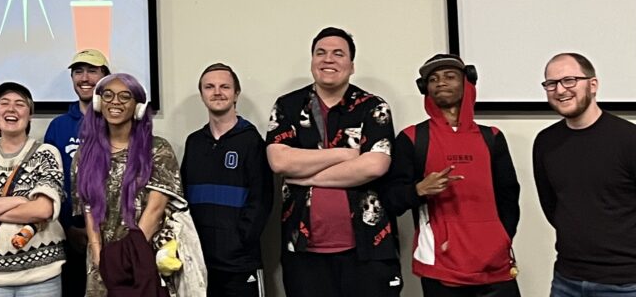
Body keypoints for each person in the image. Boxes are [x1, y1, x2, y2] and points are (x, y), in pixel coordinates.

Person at [266, 27, 401, 297]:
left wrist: (305, 174)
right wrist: (345, 154)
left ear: (351, 65)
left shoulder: (373, 107)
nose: (328, 59)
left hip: (367, 249)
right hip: (303, 252)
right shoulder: (288, 106)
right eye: (321, 53)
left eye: (338, 54)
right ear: (312, 61)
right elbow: (280, 161)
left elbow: (374, 166)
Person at [381, 54, 520, 296]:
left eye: (449, 76)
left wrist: (501, 239)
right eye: (433, 79)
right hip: (440, 265)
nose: (441, 83)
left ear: (467, 82)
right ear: (425, 88)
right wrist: (418, 190)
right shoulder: (412, 138)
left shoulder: (492, 137)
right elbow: (390, 199)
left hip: (495, 263)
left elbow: (509, 197)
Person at [77, 72, 205, 297]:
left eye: (125, 96)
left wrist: (126, 257)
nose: (115, 102)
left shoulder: (157, 149)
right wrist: (98, 254)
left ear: (138, 107)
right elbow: (88, 208)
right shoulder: (85, 153)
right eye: (108, 95)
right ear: (98, 102)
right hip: (103, 261)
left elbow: (155, 210)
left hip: (143, 257)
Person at [533, 52, 636, 296]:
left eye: (569, 80)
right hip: (566, 279)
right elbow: (552, 206)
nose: (560, 90)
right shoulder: (546, 142)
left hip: (625, 283)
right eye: (551, 83)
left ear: (593, 84)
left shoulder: (629, 139)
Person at [0, 81, 65, 297]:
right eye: (4, 103)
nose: (11, 109)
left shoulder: (46, 153)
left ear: (30, 115)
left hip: (41, 275)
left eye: (20, 104)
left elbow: (43, 210)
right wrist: (21, 201)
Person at [181, 63, 271, 297]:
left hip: (240, 264)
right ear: (202, 94)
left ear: (236, 94)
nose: (217, 92)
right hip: (199, 262)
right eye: (209, 87)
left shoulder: (252, 141)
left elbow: (261, 200)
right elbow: (183, 198)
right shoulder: (194, 143)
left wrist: (239, 241)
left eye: (225, 87)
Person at [44, 49, 110, 297]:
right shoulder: (58, 126)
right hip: (69, 235)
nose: (85, 78)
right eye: (78, 72)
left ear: (105, 77)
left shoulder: (117, 120)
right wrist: (68, 228)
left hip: (112, 235)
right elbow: (50, 182)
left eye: (92, 71)